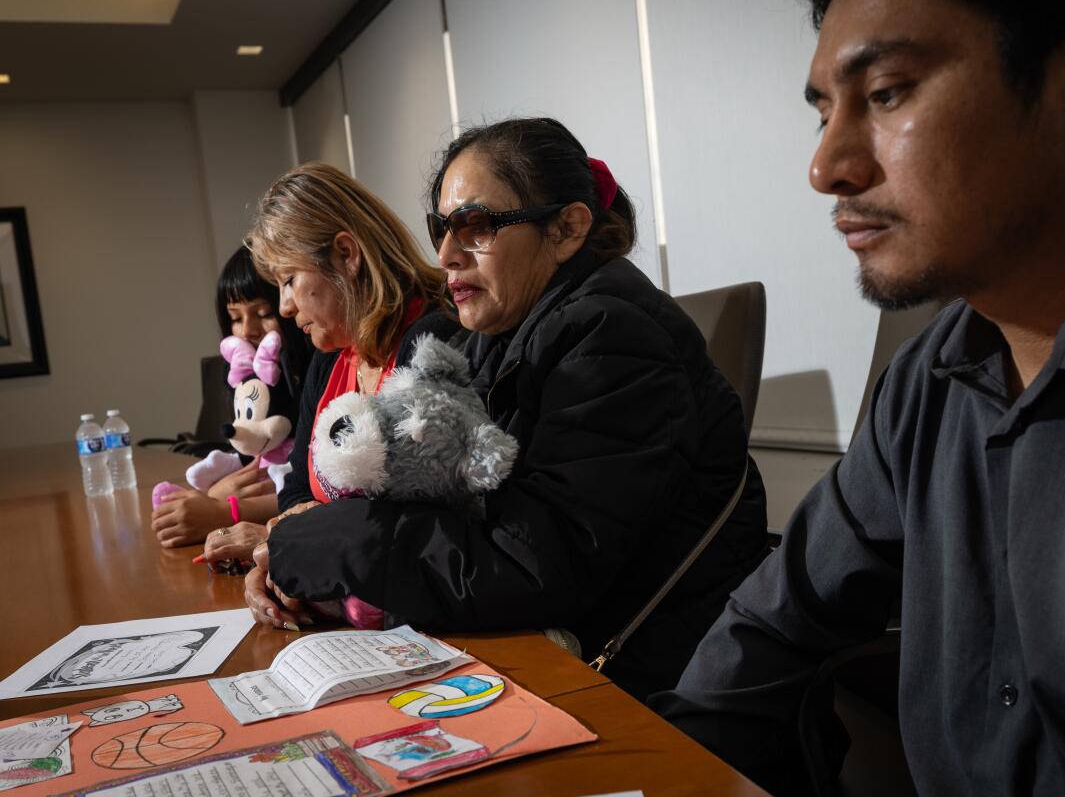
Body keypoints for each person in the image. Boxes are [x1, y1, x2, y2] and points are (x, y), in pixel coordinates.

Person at [651, 0, 1065, 794]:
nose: (826, 168)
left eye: (887, 93)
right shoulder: (931, 375)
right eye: (823, 113)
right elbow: (776, 625)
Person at [244, 118, 769, 700]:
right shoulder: (507, 331)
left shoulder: (612, 335)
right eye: (441, 228)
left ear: (567, 228)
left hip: (652, 695)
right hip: (552, 659)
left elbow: (536, 566)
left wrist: (334, 541)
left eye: (475, 226)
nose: (445, 253)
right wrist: (309, 550)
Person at [203, 162, 460, 568]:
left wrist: (287, 543)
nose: (285, 307)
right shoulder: (328, 361)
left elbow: (408, 516)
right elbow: (294, 489)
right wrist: (287, 551)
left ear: (346, 253)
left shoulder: (433, 341)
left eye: (289, 280)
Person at [151, 248, 312, 548]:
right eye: (235, 318)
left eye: (263, 314)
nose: (248, 330)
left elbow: (308, 494)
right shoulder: (246, 380)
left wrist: (223, 509)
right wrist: (217, 496)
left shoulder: (314, 381)